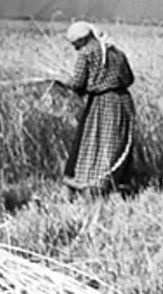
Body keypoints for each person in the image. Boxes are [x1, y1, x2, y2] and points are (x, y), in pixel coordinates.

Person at [56, 21, 136, 195]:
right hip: (123, 102)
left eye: (75, 44)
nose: (75, 49)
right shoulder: (117, 52)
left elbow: (78, 83)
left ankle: (93, 183)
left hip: (102, 103)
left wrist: (62, 83)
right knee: (117, 143)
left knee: (96, 142)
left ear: (82, 39)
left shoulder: (87, 53)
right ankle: (115, 181)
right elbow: (129, 79)